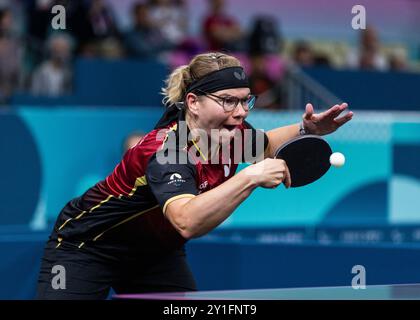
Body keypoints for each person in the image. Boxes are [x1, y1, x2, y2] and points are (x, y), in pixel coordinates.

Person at [36, 52, 353, 299]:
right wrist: (250, 178)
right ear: (193, 103)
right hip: (89, 247)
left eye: (245, 100)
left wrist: (305, 129)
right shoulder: (167, 151)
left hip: (156, 254)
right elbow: (186, 221)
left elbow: (267, 143)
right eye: (228, 101)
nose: (241, 111)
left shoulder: (230, 135)